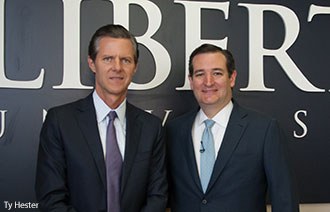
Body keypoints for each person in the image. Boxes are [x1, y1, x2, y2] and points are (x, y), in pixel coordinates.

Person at [35, 24, 167, 212]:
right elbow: (51, 198)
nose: (117, 67)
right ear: (92, 63)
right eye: (108, 59)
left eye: (126, 60)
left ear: (135, 67)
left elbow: (157, 196)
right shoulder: (60, 122)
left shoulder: (151, 128)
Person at [166, 44, 299, 212]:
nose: (208, 82)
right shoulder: (173, 131)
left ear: (232, 78)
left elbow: (284, 200)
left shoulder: (264, 130)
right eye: (200, 74)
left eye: (217, 73)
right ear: (191, 81)